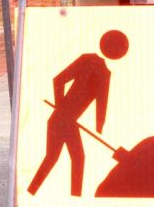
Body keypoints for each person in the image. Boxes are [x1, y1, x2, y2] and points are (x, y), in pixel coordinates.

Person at [26, 29, 128, 197]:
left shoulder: (104, 74)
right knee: (55, 158)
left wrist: (99, 128)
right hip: (60, 120)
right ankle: (32, 193)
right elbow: (58, 80)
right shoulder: (87, 60)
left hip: (69, 121)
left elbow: (101, 105)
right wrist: (61, 108)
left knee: (74, 158)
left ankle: (72, 197)